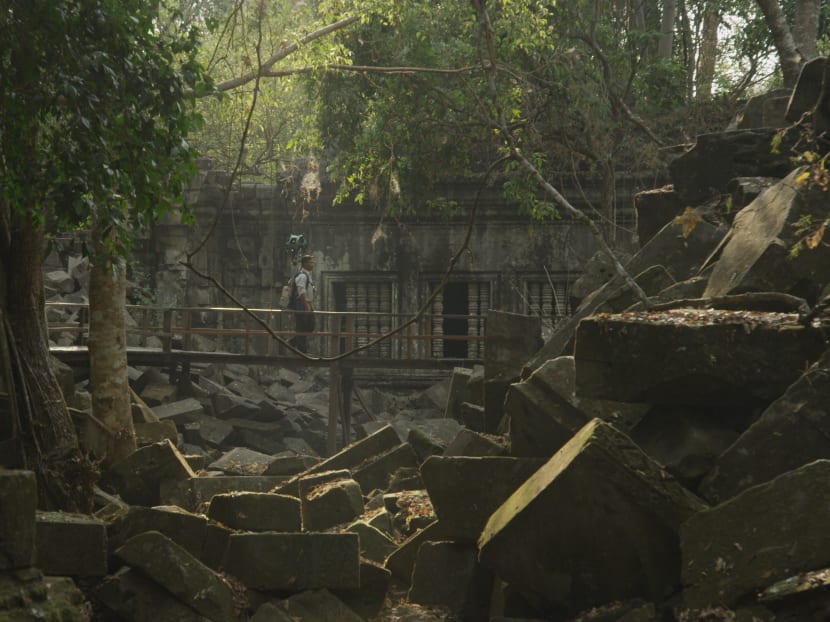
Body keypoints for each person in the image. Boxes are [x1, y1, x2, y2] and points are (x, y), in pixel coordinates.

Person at [289, 254, 316, 352]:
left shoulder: (307, 275)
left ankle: (293, 342)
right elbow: (301, 293)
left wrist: (312, 288)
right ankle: (301, 351)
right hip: (302, 305)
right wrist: (307, 306)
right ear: (305, 263)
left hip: (307, 303)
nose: (313, 264)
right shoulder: (302, 276)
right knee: (302, 327)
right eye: (311, 262)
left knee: (309, 326)